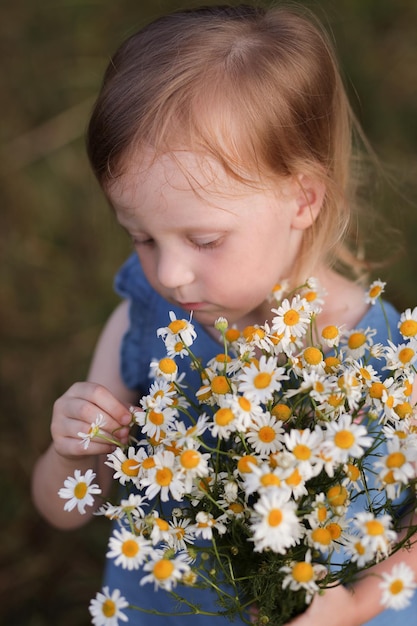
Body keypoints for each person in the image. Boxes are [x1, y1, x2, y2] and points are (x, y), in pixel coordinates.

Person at [31, 4, 417, 625]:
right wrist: (74, 458)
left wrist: (356, 607)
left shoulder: (373, 353)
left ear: (302, 198)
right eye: (142, 237)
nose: (172, 274)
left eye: (204, 240)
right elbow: (63, 511)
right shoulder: (151, 315)